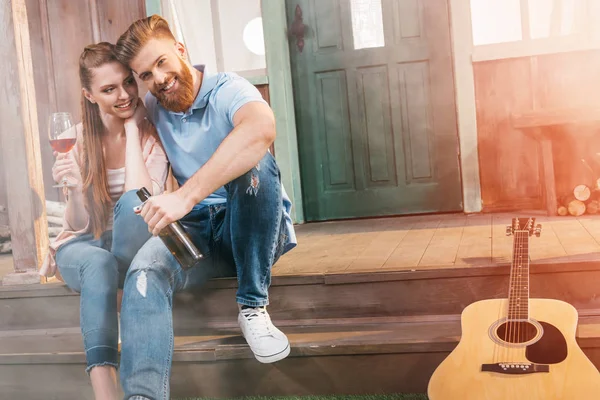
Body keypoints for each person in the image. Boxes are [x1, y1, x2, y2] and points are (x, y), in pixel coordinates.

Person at [113, 15, 297, 398]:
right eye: (145, 75)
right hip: (196, 231)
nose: (159, 79)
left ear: (180, 51)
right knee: (143, 273)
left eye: (162, 62)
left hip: (248, 228)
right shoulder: (153, 105)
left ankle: (252, 306)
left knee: (256, 165)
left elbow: (261, 129)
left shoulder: (228, 89)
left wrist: (184, 195)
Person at [39, 42, 169, 400]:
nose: (125, 94)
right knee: (97, 261)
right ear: (90, 95)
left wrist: (130, 131)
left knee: (127, 215)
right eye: (109, 89)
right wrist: (76, 189)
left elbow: (139, 203)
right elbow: (77, 224)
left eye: (128, 82)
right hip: (84, 243)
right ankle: (105, 394)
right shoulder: (77, 140)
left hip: (130, 241)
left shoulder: (150, 134)